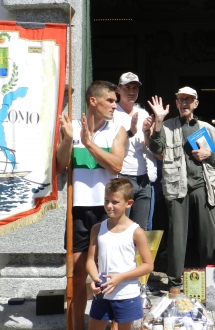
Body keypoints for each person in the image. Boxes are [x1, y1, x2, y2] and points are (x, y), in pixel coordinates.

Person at [56, 81, 127, 330]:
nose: (115, 105)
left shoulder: (117, 130)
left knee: (111, 273)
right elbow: (59, 166)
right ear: (93, 101)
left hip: (108, 212)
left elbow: (116, 166)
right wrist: (68, 140)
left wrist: (89, 144)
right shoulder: (72, 128)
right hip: (79, 211)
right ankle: (76, 326)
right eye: (110, 100)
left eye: (115, 100)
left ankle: (116, 326)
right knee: (76, 278)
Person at [146, 86, 215, 290]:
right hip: (177, 185)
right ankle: (175, 283)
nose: (184, 103)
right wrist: (158, 122)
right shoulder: (167, 125)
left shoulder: (207, 128)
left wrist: (208, 155)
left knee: (210, 236)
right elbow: (156, 149)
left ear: (196, 103)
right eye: (180, 99)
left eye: (189, 99)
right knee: (177, 237)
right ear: (177, 103)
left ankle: (211, 286)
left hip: (203, 186)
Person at [86, 178, 154, 330]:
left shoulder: (136, 232)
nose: (109, 206)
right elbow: (90, 260)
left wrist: (121, 277)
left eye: (115, 202)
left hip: (126, 294)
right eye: (106, 201)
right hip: (102, 293)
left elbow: (148, 265)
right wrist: (95, 278)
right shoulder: (97, 229)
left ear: (129, 203)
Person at [112, 72, 157, 230]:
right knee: (122, 227)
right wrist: (130, 131)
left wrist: (146, 131)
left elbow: (151, 147)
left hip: (144, 177)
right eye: (127, 88)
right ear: (118, 90)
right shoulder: (112, 114)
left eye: (135, 88)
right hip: (122, 176)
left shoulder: (143, 113)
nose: (131, 92)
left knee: (140, 229)